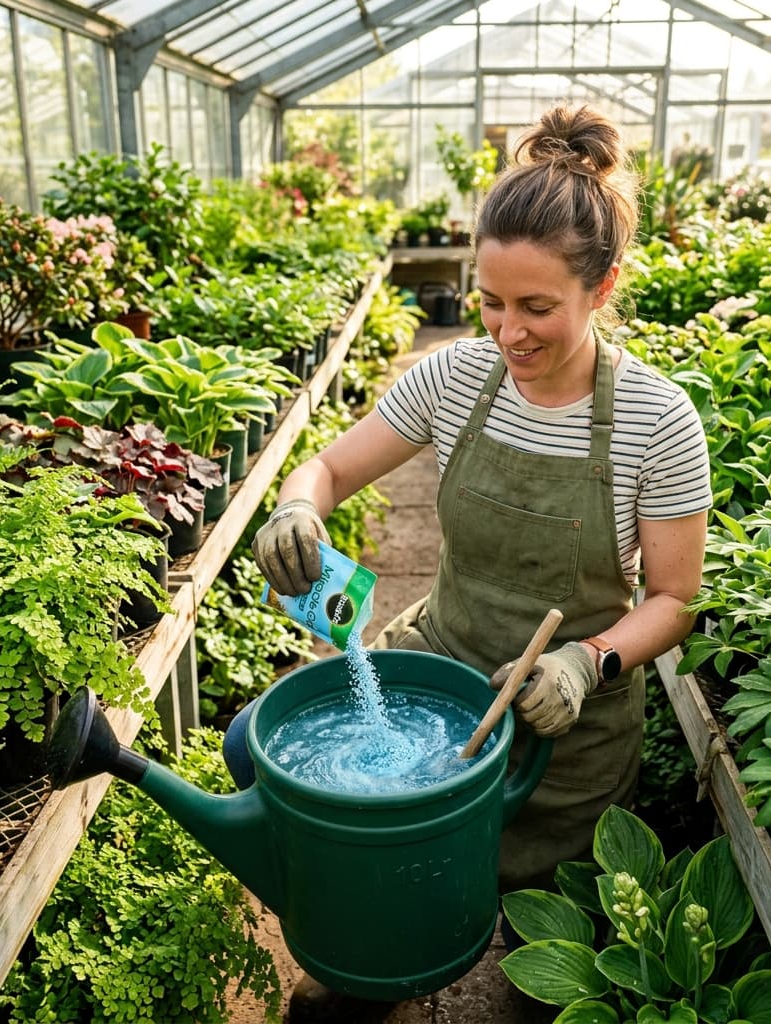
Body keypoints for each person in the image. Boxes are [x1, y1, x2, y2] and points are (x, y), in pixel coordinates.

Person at [244, 102, 710, 1014]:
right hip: (443, 677)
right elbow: (333, 464)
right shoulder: (456, 379)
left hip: (564, 733)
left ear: (603, 288)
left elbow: (675, 596)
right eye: (491, 302)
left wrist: (588, 660)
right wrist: (297, 507)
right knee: (368, 867)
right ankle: (372, 969)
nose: (509, 331)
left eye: (539, 307)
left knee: (540, 974)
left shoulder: (658, 422)